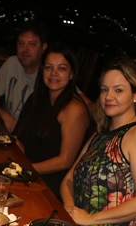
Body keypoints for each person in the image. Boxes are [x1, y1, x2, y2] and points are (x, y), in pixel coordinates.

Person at [61, 57, 136, 226]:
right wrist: (70, 210)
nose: (108, 96)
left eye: (118, 90)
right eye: (104, 90)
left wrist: (90, 219)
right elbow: (68, 180)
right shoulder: (100, 135)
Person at [14, 44, 90, 199]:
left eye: (61, 68)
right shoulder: (37, 98)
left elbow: (65, 161)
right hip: (29, 174)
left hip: (54, 185)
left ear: (71, 74)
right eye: (49, 67)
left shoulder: (74, 108)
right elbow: (19, 136)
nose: (53, 73)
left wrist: (26, 169)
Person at [0, 22, 48, 132]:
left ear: (43, 47)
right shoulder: (12, 63)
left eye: (32, 44)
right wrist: (5, 116)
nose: (25, 49)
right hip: (7, 136)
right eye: (21, 43)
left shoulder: (51, 74)